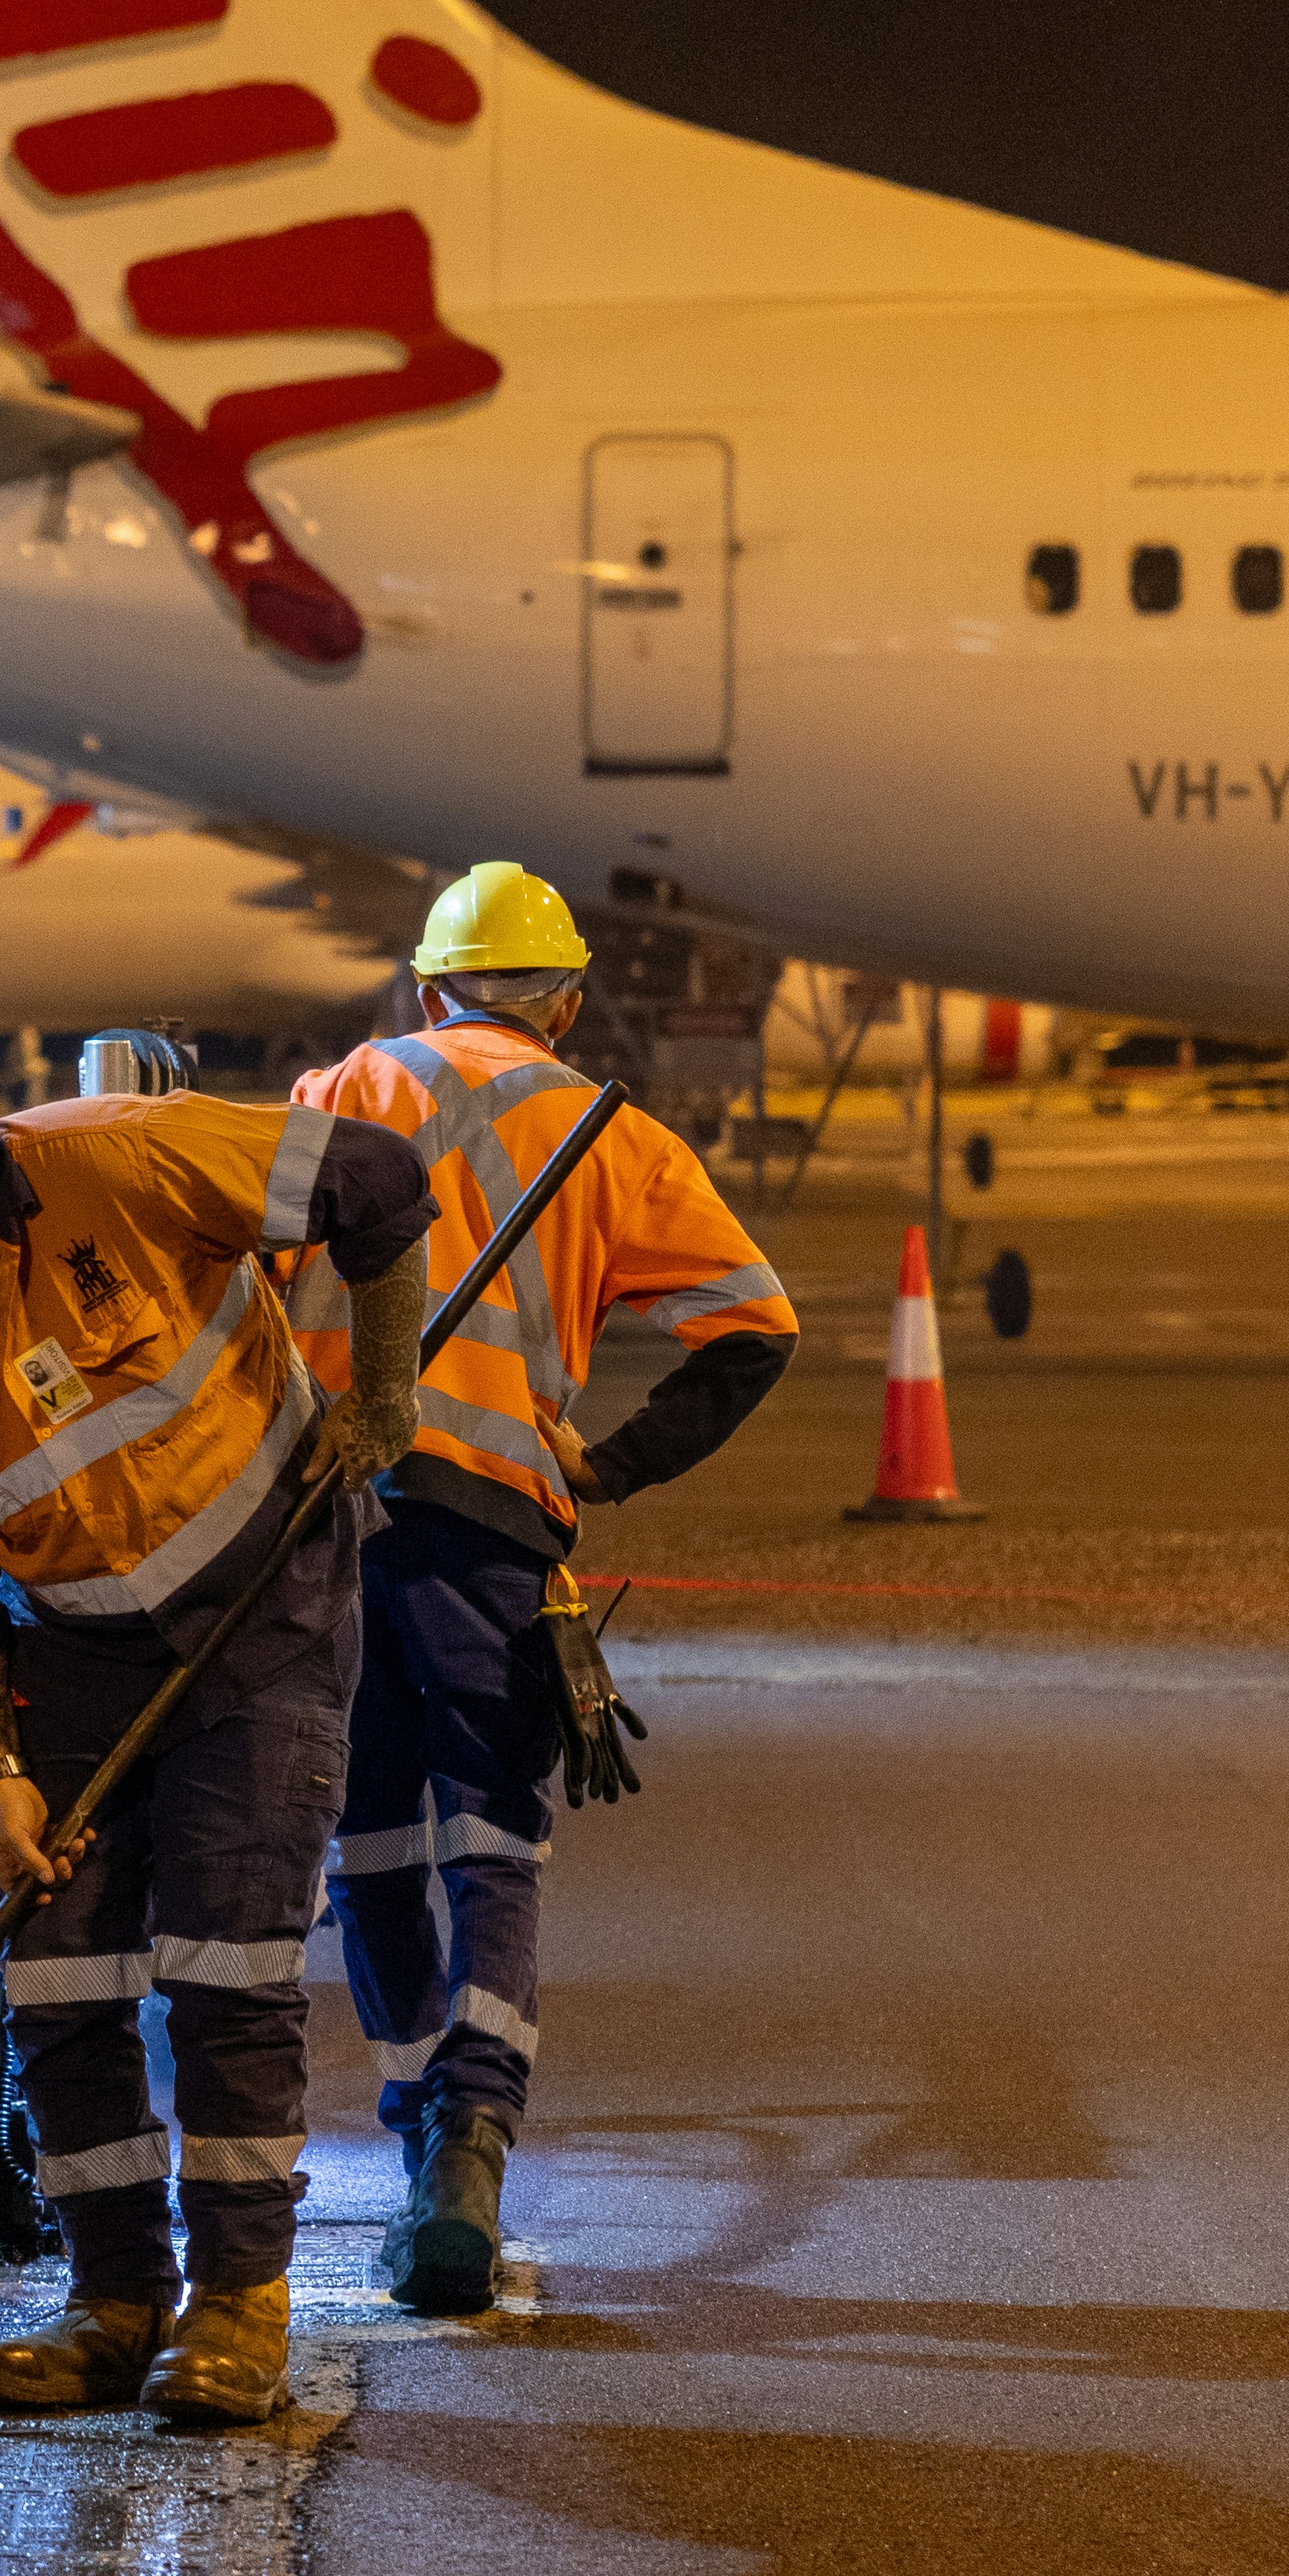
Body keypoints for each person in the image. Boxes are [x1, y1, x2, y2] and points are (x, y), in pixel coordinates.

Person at [0, 1034, 431, 2426]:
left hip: (269, 1618)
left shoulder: (119, 1159)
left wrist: (386, 1393)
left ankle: (239, 2307)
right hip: (77, 1655)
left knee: (229, 1967)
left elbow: (380, 1179)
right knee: (58, 1977)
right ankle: (114, 2300)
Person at [285, 864, 798, 2311]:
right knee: (492, 1849)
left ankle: (410, 2143)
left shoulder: (344, 1089)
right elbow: (756, 1329)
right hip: (500, 1530)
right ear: (565, 1002)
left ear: (430, 990)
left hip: (331, 1525)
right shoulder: (611, 1134)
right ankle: (473, 2146)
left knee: (368, 1849)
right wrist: (611, 1467)